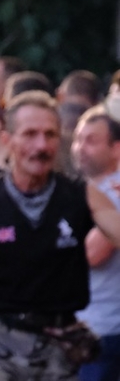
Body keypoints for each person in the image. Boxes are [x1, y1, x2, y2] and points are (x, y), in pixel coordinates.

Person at [0, 90, 120, 380]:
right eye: (29, 134)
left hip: (58, 343)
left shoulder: (80, 195)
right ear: (7, 140)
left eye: (49, 135)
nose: (41, 145)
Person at [70, 106, 120, 381]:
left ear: (116, 148)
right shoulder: (84, 189)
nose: (80, 148)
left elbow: (92, 254)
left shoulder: (115, 192)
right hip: (85, 330)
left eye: (91, 140)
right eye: (78, 139)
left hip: (104, 333)